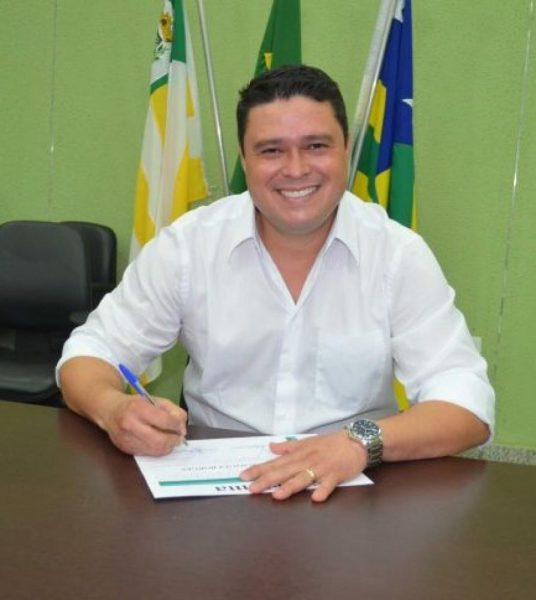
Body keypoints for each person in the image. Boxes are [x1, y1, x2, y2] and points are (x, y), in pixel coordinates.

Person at [57, 65, 494, 502]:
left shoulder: (398, 254)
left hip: (352, 487)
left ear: (346, 149)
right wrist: (114, 410)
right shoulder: (189, 246)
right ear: (245, 160)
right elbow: (89, 353)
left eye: (316, 146)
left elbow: (467, 404)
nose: (296, 169)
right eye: (271, 150)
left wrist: (358, 442)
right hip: (216, 490)